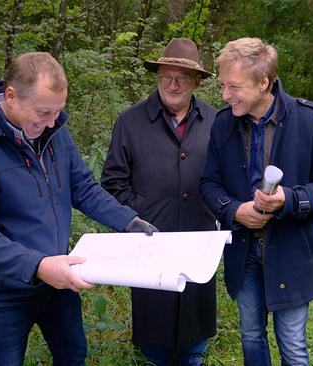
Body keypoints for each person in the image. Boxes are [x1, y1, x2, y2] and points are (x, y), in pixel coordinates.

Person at [0, 52, 157, 366]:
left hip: (59, 281)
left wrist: (128, 221)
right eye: (44, 112)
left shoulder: (53, 132)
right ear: (11, 96)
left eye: (58, 111)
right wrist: (38, 266)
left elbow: (82, 187)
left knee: (73, 356)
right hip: (4, 292)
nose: (52, 122)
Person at [199, 38, 313, 365]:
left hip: (292, 251)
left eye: (234, 87)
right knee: (251, 336)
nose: (225, 95)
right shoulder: (223, 124)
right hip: (243, 251)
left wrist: (289, 200)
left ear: (263, 82)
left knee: (292, 344)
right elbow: (208, 183)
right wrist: (235, 210)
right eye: (223, 86)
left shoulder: (308, 120)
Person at [101, 38, 218, 366]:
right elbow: (111, 184)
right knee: (156, 338)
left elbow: (228, 179)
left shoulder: (216, 122)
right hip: (149, 244)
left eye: (182, 77)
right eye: (166, 75)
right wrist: (142, 209)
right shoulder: (130, 122)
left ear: (197, 82)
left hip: (199, 240)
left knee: (194, 340)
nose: (173, 84)